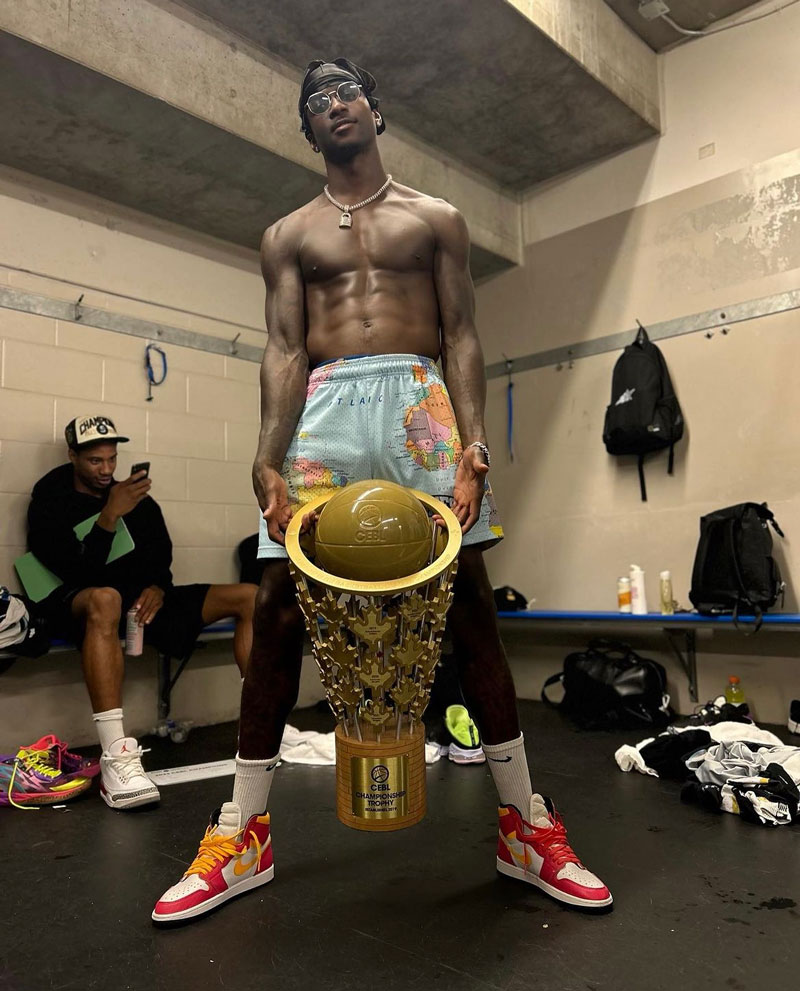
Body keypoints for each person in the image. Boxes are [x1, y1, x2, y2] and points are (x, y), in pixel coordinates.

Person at [153, 58, 611, 922]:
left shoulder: (437, 218)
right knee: (281, 603)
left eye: (346, 91)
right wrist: (267, 453)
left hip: (418, 409)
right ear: (308, 128)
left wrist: (474, 440)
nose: (334, 105)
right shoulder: (287, 235)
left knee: (469, 603)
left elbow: (464, 333)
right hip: (324, 415)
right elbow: (286, 350)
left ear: (376, 109)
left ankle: (526, 824)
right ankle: (241, 830)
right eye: (315, 100)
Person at [27, 414, 258, 811]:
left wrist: (158, 589)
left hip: (141, 602)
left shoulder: (136, 498)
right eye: (95, 461)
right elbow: (73, 571)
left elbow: (160, 559)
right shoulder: (51, 497)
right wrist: (108, 517)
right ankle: (116, 756)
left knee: (251, 596)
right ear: (72, 457)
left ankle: (260, 725)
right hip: (79, 600)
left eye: (111, 459)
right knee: (106, 598)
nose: (106, 470)